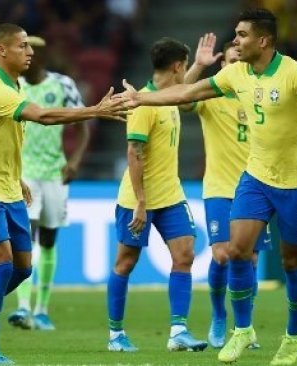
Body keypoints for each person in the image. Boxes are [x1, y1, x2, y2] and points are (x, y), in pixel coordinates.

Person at [116, 9, 297, 365]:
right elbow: (186, 93)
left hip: (296, 181)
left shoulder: (296, 74)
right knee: (235, 251)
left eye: (242, 35)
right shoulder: (235, 74)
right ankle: (241, 330)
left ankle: (295, 334)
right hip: (255, 179)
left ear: (263, 41)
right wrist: (141, 98)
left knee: (292, 262)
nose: (234, 41)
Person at [0, 23, 127, 365]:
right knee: (2, 267)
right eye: (22, 46)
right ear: (2, 51)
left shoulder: (13, 84)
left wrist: (15, 176)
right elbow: (44, 116)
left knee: (23, 268)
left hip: (7, 187)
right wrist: (95, 110)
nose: (30, 51)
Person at [106, 37, 208, 353]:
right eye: (187, 65)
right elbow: (133, 153)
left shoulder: (164, 97)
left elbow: (184, 90)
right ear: (177, 65)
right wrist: (139, 201)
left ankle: (178, 331)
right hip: (139, 199)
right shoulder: (143, 104)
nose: (187, 71)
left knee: (185, 255)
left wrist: (202, 65)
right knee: (125, 262)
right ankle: (115, 335)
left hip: (170, 196)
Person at [182, 34, 270, 349]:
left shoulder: (258, 96)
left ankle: (244, 327)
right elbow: (180, 97)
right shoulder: (212, 96)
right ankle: (219, 317)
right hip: (220, 188)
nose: (237, 68)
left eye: (241, 62)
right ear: (222, 64)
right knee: (222, 255)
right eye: (232, 61)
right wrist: (197, 66)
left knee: (251, 260)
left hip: (257, 189)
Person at [7, 35, 91, 331]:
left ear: (42, 56)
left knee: (49, 240)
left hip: (55, 173)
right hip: (25, 173)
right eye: (24, 50)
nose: (27, 56)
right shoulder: (13, 86)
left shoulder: (63, 85)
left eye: (31, 52)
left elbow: (83, 126)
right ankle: (22, 308)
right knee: (25, 237)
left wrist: (75, 161)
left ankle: (42, 309)